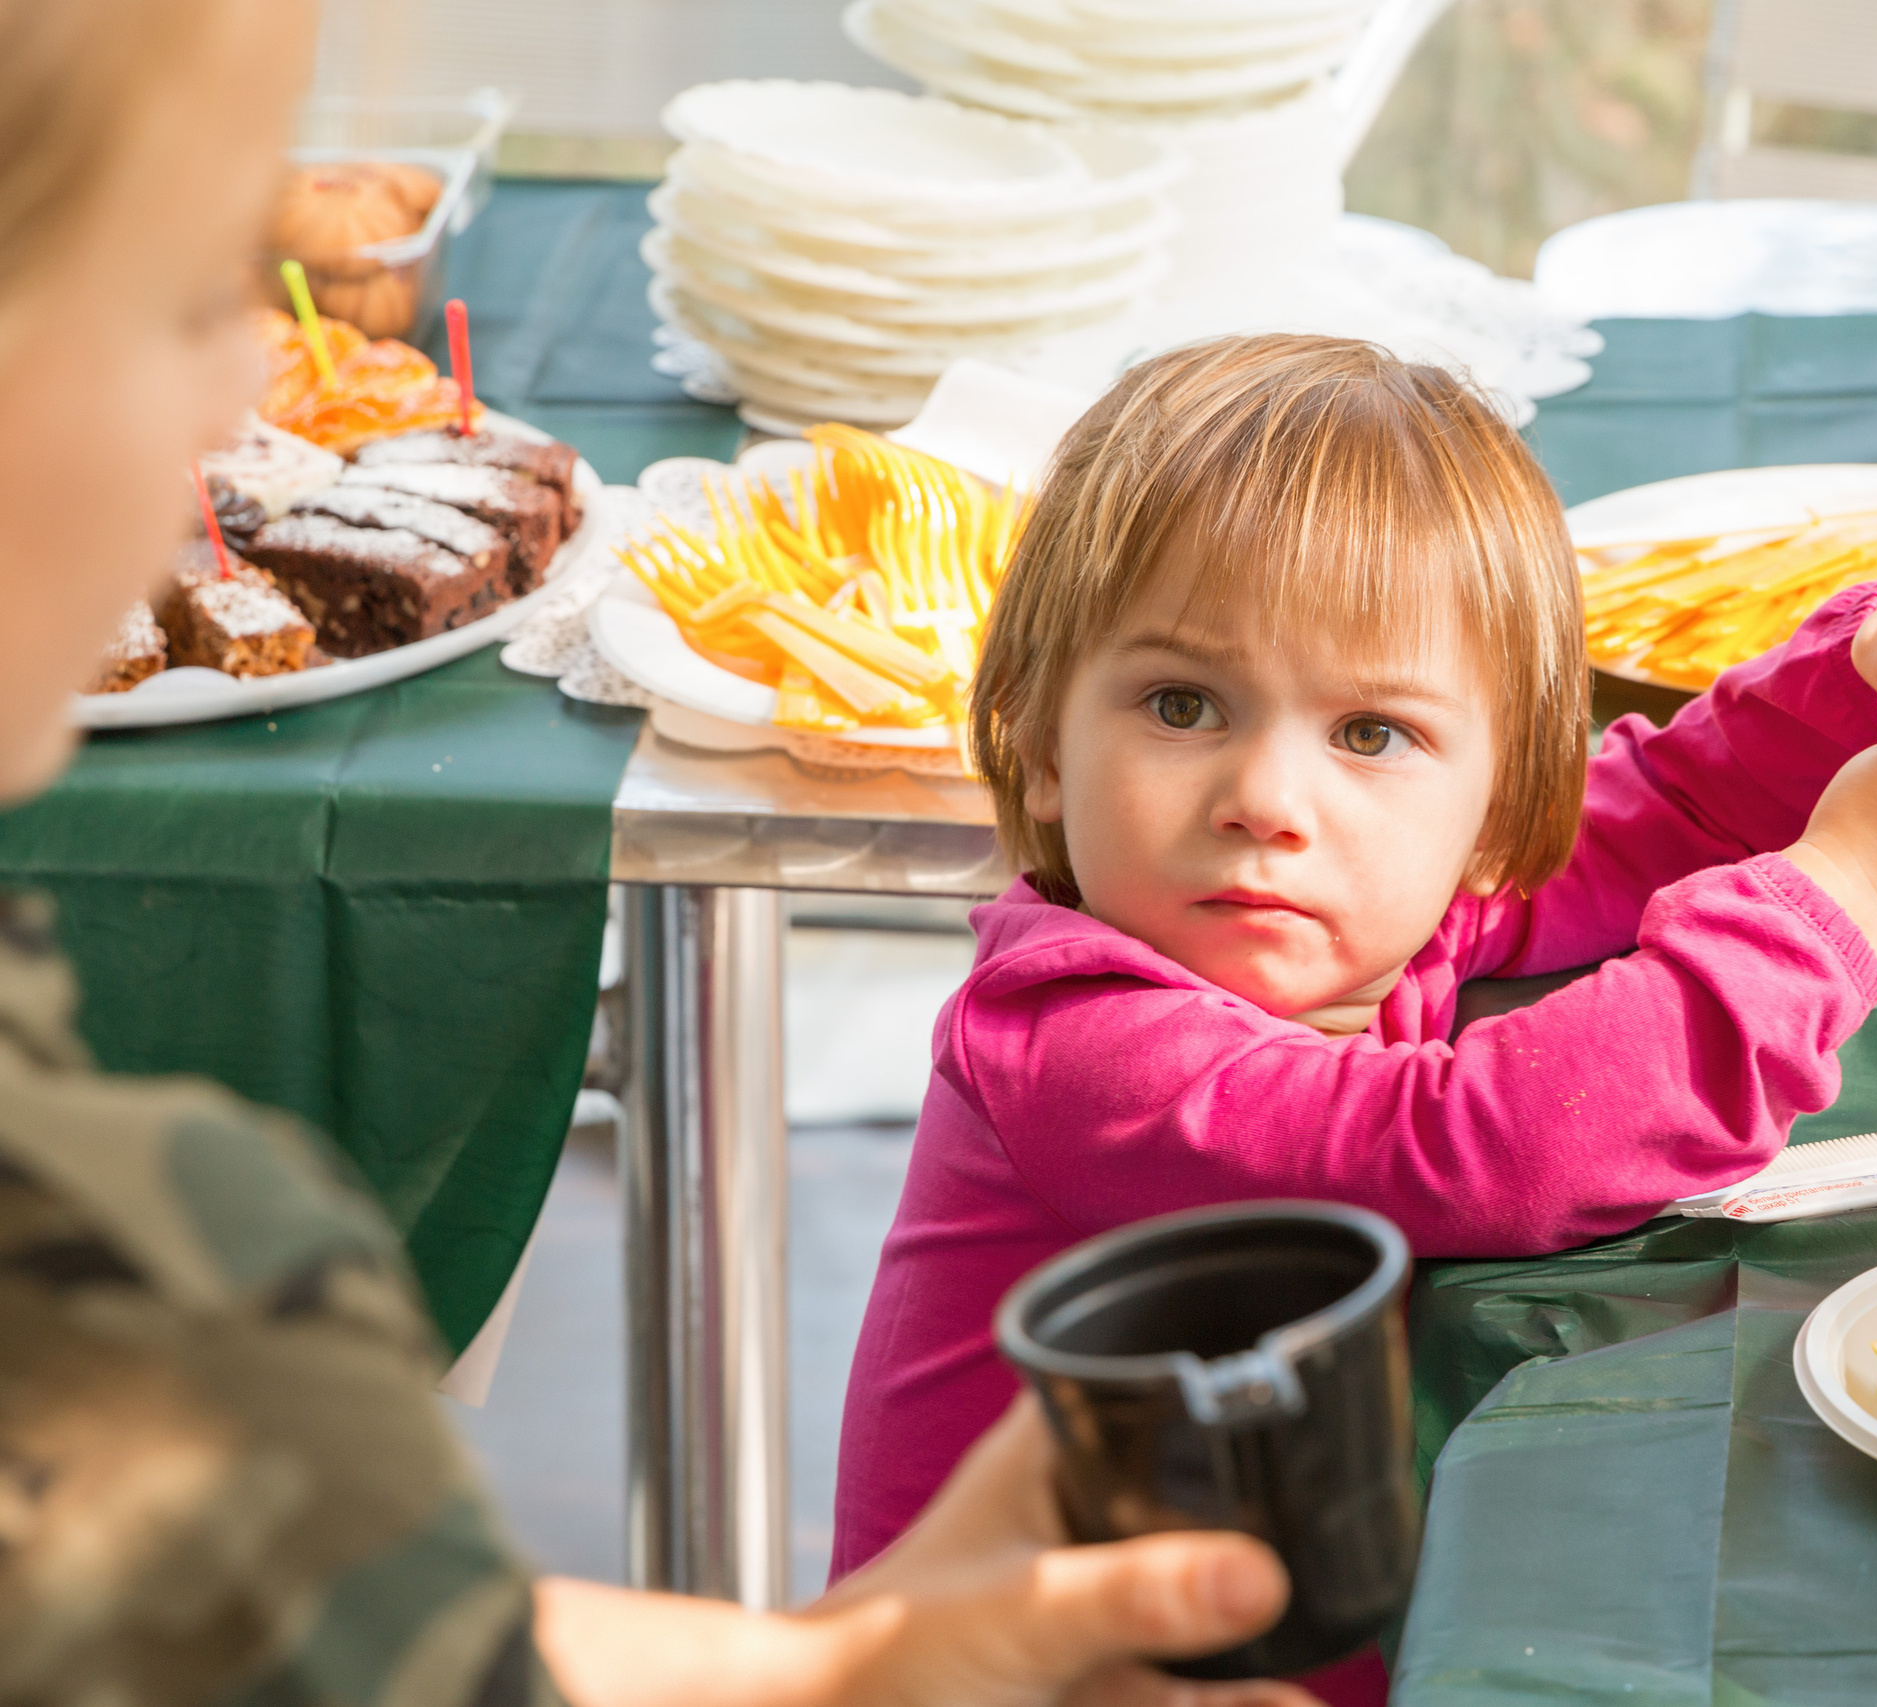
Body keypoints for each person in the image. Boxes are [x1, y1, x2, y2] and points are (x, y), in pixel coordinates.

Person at [0, 2, 1320, 1703]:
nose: (250, 380)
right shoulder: (150, 1285)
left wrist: (838, 1671)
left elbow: (272, 1605)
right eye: (199, 287)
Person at [829, 336, 1877, 1701]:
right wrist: (1857, 884)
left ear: (1497, 816)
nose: (1267, 796)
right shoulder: (1074, 1040)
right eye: (1182, 705)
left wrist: (1870, 676)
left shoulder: (1377, 906)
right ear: (1034, 740)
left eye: (1370, 734)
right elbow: (1495, 1143)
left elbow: (1668, 808)